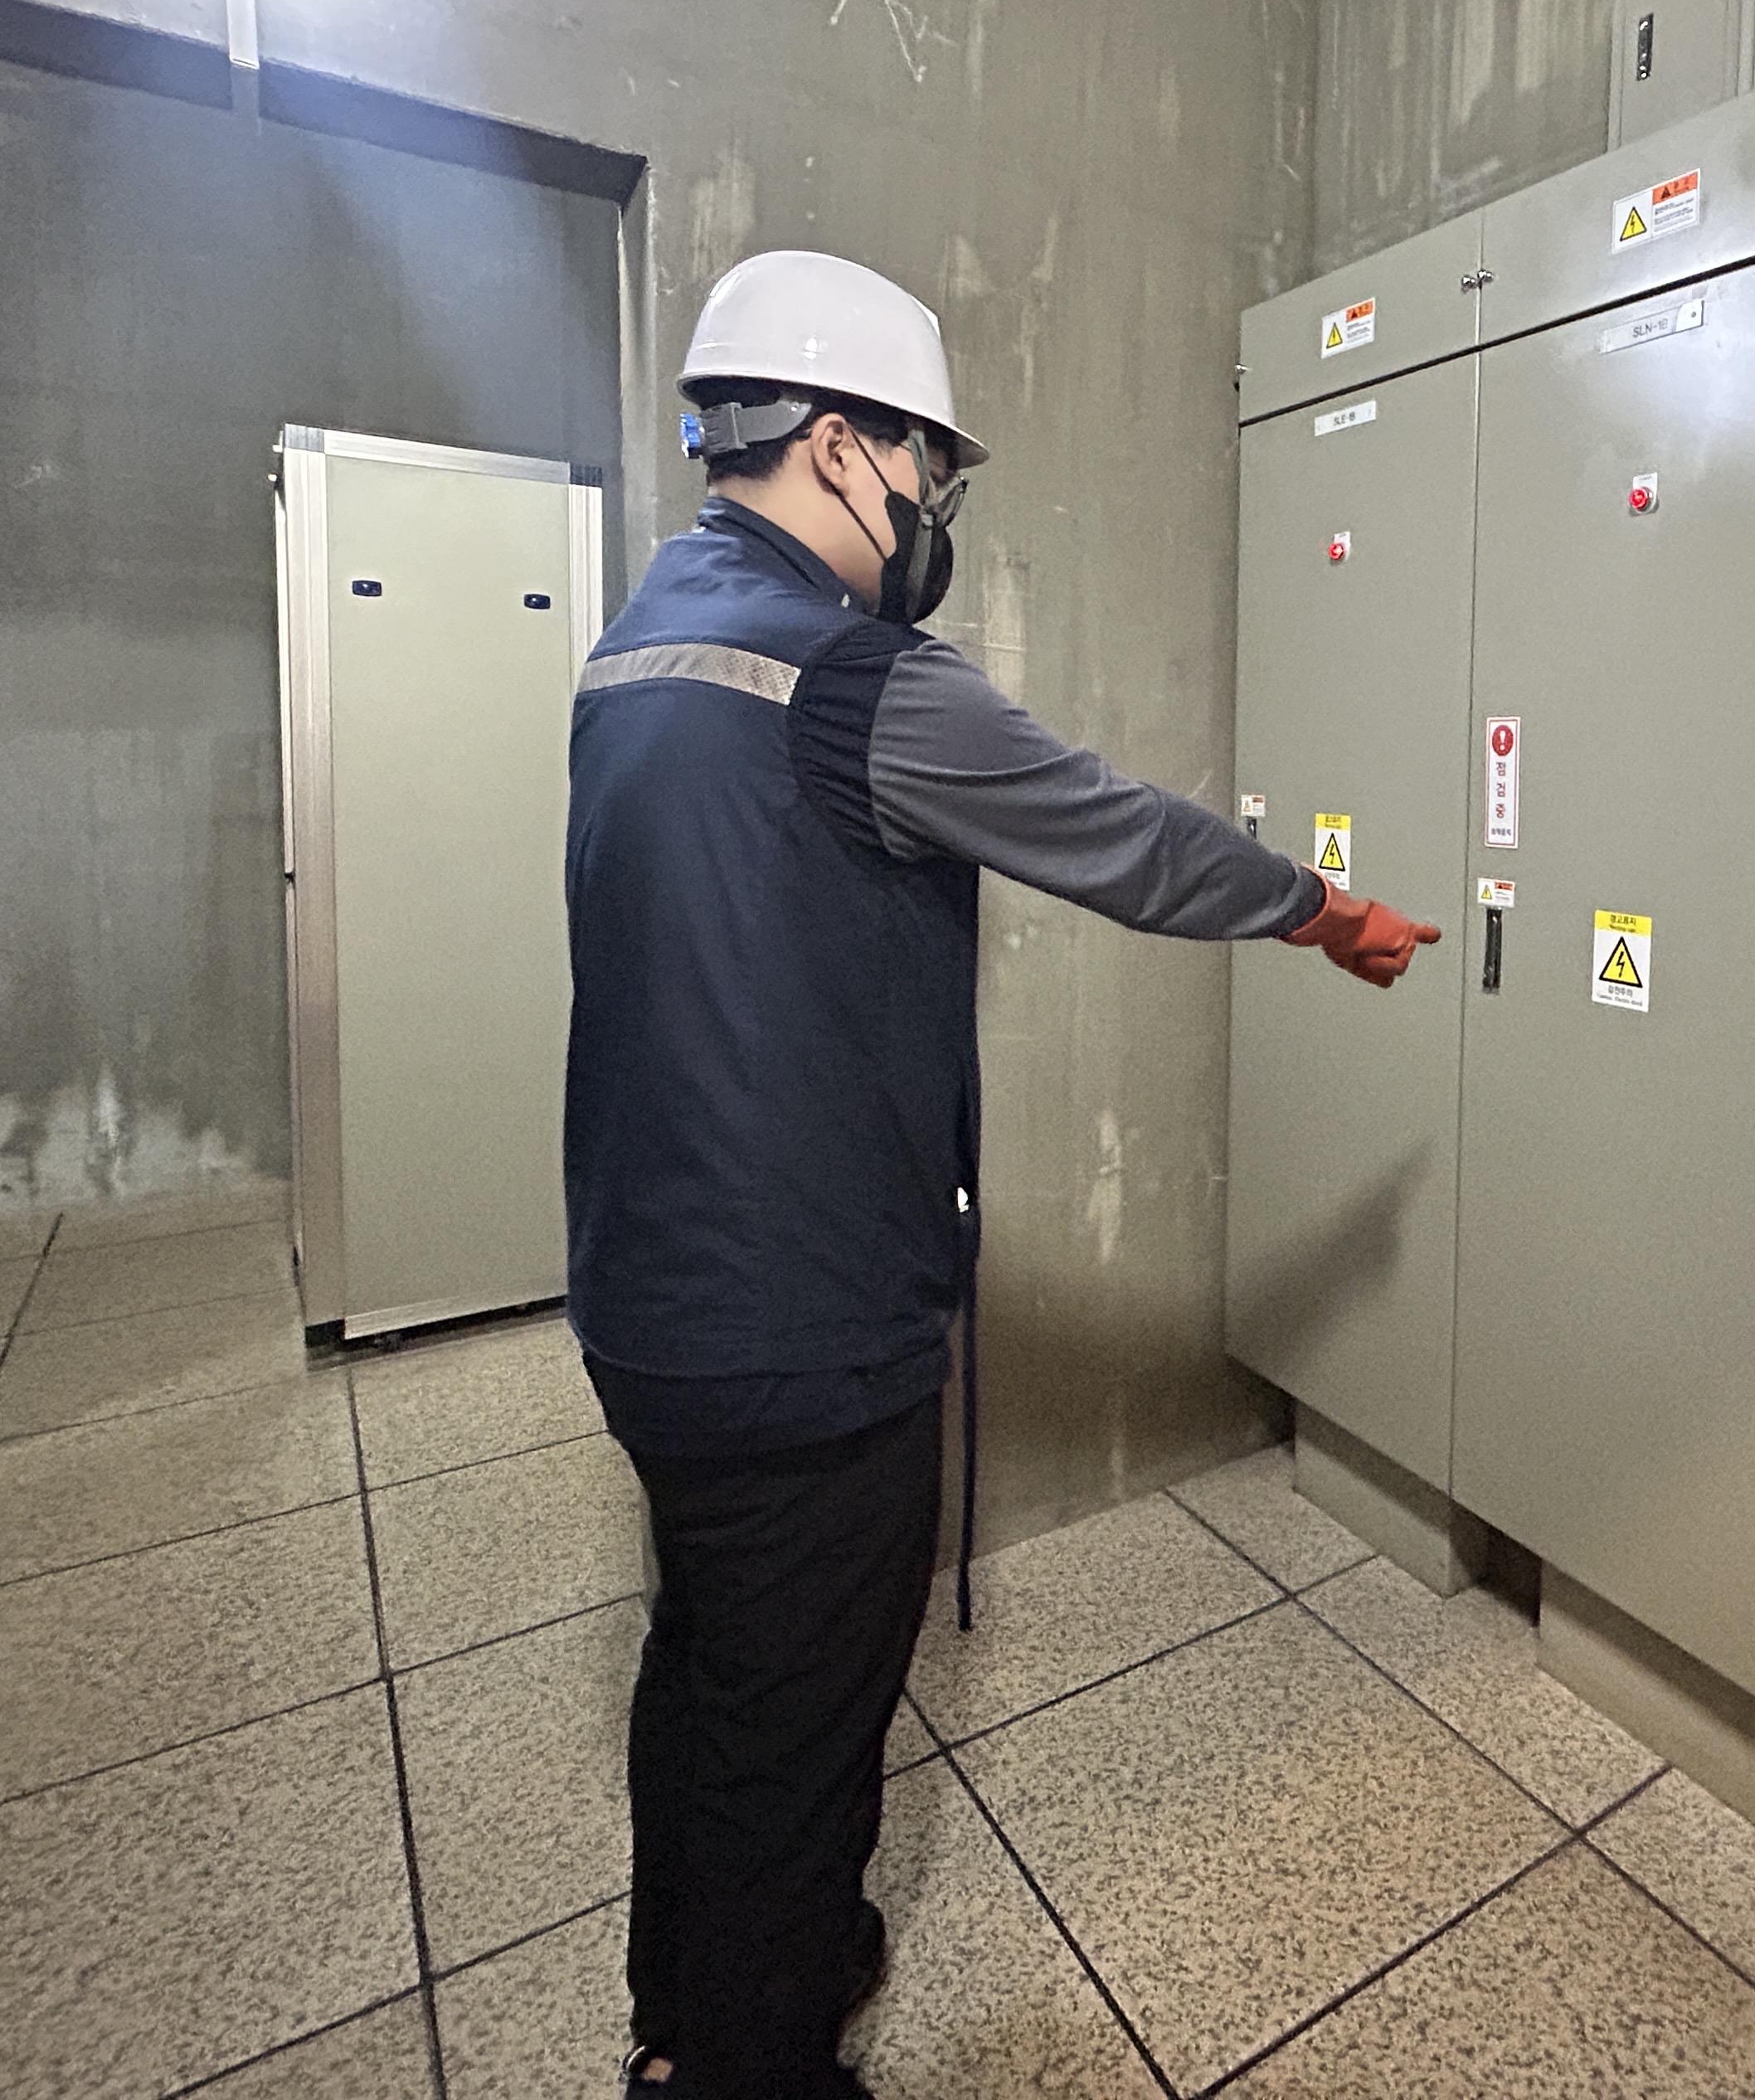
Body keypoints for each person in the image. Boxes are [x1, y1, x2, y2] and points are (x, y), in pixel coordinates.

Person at [563, 249, 1437, 2099]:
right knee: (800, 1726)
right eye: (928, 467)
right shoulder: (850, 677)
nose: (929, 510)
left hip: (649, 1299)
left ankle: (698, 2000)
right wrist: (1322, 908)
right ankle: (749, 2061)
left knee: (709, 1664)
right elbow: (1115, 833)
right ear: (836, 442)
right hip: (802, 1329)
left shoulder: (639, 638)